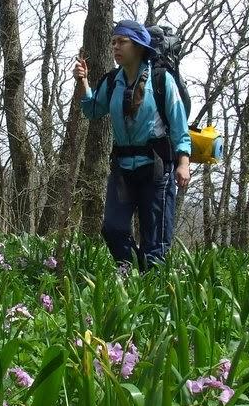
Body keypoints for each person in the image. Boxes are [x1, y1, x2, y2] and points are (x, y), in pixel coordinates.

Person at [73, 19, 191, 271]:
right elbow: (93, 110)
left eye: (122, 42)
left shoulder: (161, 80)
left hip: (157, 167)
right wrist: (83, 83)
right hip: (123, 168)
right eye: (113, 42)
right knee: (113, 228)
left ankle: (152, 292)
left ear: (138, 46)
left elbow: (179, 124)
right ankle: (132, 272)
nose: (115, 47)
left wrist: (183, 163)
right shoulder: (112, 80)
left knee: (155, 239)